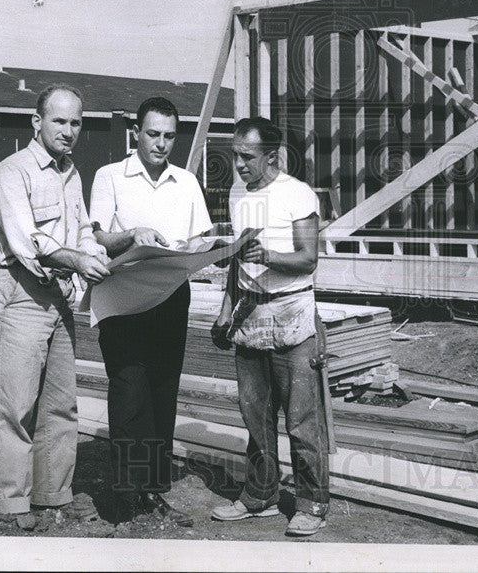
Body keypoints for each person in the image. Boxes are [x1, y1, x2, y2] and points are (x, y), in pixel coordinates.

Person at [0, 83, 110, 530]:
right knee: (16, 404)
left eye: (76, 122)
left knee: (61, 404)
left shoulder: (72, 174)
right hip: (20, 292)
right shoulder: (11, 172)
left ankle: (53, 494)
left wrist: (90, 254)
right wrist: (78, 260)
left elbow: (82, 230)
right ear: (37, 123)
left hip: (58, 297)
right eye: (59, 120)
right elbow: (26, 242)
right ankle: (11, 502)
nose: (69, 130)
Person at [89, 96, 211, 525]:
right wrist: (132, 235)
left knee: (162, 393)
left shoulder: (187, 182)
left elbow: (201, 237)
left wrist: (206, 248)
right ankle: (125, 493)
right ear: (135, 133)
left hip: (171, 297)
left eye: (169, 136)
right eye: (153, 134)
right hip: (122, 302)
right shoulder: (110, 177)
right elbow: (97, 238)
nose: (161, 144)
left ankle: (154, 490)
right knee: (129, 392)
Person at [211, 116, 330, 537]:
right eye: (235, 155)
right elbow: (239, 260)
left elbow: (308, 259)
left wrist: (269, 257)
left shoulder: (297, 194)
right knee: (255, 415)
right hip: (250, 316)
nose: (239, 165)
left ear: (272, 155)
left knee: (301, 419)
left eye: (247, 157)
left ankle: (311, 502)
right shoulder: (237, 192)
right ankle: (259, 495)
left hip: (292, 315)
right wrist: (226, 309)